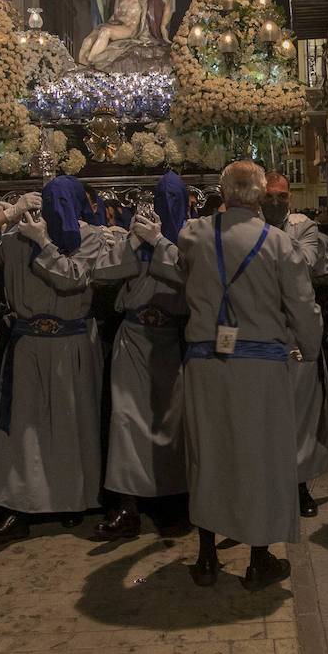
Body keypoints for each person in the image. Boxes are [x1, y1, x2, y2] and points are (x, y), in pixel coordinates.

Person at [159, 160, 322, 589]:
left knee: (209, 455)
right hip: (261, 369)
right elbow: (303, 307)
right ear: (262, 192)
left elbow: (182, 270)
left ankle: (208, 557)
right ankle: (258, 559)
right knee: (260, 460)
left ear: (223, 192)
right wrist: (310, 348)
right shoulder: (279, 244)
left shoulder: (194, 234)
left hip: (204, 364)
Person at [0, 180, 107, 544]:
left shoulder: (90, 237)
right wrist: (5, 216)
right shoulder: (15, 237)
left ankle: (72, 500)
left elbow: (73, 277)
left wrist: (44, 243)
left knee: (70, 425)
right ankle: (19, 506)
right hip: (29, 342)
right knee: (24, 429)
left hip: (71, 342)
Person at [89, 172, 191, 539]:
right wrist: (132, 243)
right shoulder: (130, 237)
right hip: (133, 338)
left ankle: (174, 503)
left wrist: (161, 242)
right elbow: (101, 274)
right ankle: (127, 504)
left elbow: (191, 277)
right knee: (126, 421)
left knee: (172, 424)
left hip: (171, 339)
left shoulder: (190, 238)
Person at [263, 170, 328, 516]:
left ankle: (299, 486)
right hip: (263, 327)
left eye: (282, 196)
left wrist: (269, 241)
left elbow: (307, 261)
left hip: (295, 330)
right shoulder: (250, 226)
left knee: (299, 415)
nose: (276, 202)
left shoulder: (302, 227)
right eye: (270, 196)